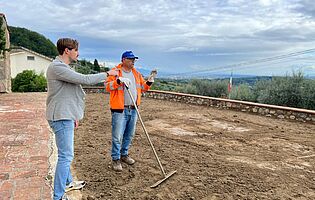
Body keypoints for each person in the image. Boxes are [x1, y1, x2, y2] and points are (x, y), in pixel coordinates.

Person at [46, 38, 118, 200]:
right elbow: (84, 80)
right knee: (66, 156)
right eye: (76, 50)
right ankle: (58, 196)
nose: (78, 53)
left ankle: (68, 182)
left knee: (65, 154)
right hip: (60, 117)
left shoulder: (62, 67)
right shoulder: (57, 67)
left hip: (65, 115)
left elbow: (68, 93)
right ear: (67, 51)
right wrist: (107, 74)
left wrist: (73, 116)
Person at [105, 51, 156, 171]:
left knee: (129, 135)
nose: (133, 61)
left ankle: (124, 155)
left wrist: (149, 81)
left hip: (133, 109)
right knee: (117, 136)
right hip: (120, 110)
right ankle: (116, 159)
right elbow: (107, 87)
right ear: (123, 60)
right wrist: (118, 81)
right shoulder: (115, 72)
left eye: (134, 59)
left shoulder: (136, 74)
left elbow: (143, 88)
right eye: (130, 59)